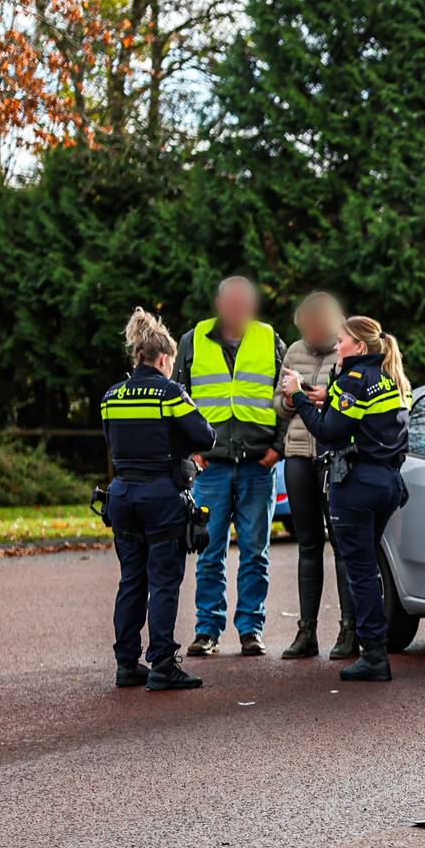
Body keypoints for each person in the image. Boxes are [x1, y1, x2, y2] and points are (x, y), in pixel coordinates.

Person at [281, 315, 411, 682]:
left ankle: (373, 655)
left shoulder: (354, 379)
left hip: (357, 484)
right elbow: (353, 414)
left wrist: (296, 396)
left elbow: (328, 429)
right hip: (388, 481)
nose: (337, 346)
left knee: (361, 572)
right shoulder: (390, 377)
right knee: (366, 565)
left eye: (342, 341)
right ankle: (372, 648)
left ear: (360, 347)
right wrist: (320, 396)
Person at [100, 309, 215, 691]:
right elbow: (205, 436)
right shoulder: (170, 392)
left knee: (131, 579)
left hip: (122, 497)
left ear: (137, 356)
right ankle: (163, 663)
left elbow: (112, 439)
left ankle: (126, 663)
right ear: (164, 358)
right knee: (164, 581)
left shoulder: (111, 396)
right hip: (162, 496)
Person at [182, 275, 287, 658]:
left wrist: (278, 449)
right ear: (220, 304)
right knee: (209, 553)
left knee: (256, 552)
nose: (239, 309)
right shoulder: (192, 341)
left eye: (245, 303)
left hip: (258, 465)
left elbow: (287, 395)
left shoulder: (269, 339)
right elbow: (178, 400)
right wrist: (191, 453)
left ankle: (250, 630)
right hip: (211, 467)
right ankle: (207, 630)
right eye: (232, 302)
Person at [277, 291, 358, 661]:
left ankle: (349, 629)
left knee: (341, 544)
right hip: (297, 456)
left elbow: (351, 401)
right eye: (303, 329)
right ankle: (306, 631)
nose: (309, 335)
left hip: (333, 456)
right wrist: (291, 399)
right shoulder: (293, 351)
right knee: (307, 544)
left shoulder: (345, 351)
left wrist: (321, 397)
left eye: (314, 328)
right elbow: (277, 405)